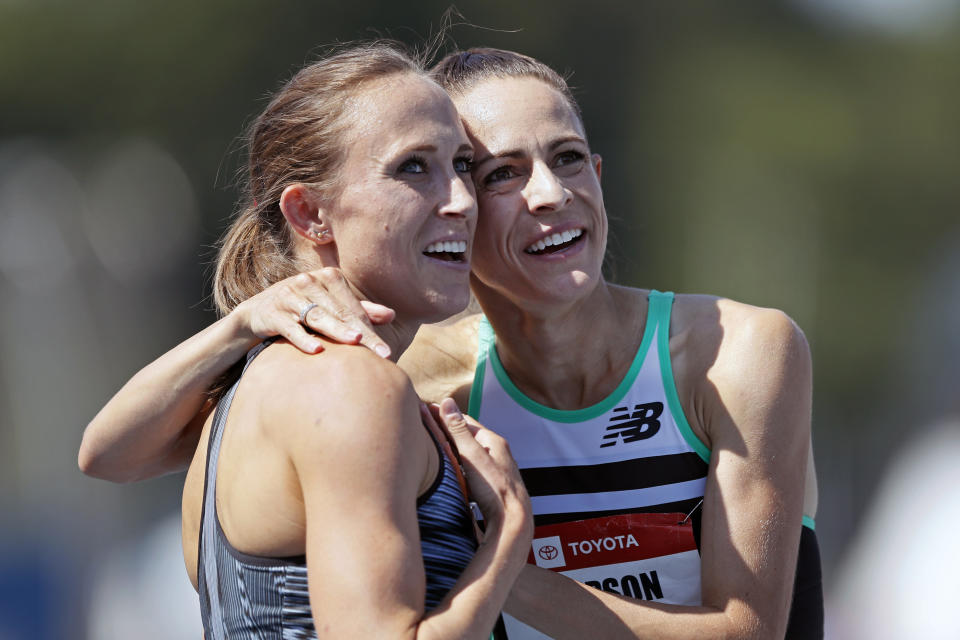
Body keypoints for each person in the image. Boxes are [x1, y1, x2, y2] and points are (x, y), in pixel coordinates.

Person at [80, 47, 821, 639]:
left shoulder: (738, 351)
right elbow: (112, 454)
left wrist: (503, 556)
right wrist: (242, 321)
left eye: (567, 158)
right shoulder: (412, 381)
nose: (548, 194)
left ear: (598, 174)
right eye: (497, 170)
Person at [81, 42, 535, 638]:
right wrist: (506, 537)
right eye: (414, 167)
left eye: (461, 166)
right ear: (310, 214)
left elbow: (107, 453)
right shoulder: (347, 384)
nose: (461, 201)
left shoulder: (253, 387)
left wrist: (242, 326)